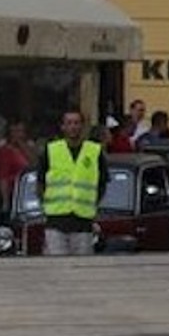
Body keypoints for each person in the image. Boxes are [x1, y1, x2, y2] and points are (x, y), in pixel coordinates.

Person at [34, 109, 109, 256]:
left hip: (83, 223)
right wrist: (45, 205)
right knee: (57, 269)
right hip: (56, 222)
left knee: (81, 271)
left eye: (76, 123)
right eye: (69, 123)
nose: (73, 127)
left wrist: (93, 203)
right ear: (62, 127)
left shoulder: (94, 151)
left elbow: (102, 183)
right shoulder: (51, 150)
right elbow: (40, 183)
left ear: (82, 126)